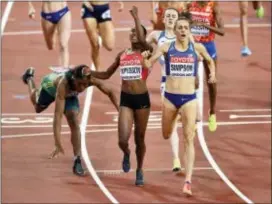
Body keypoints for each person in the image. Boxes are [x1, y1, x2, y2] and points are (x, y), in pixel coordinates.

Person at [142, 14, 216, 196]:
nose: (183, 30)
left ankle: (188, 181)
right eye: (180, 28)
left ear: (189, 31)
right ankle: (171, 125)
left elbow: (209, 59)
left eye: (185, 28)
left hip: (189, 98)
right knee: (166, 134)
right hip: (170, 98)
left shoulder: (196, 47)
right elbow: (148, 63)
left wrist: (212, 74)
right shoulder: (166, 47)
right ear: (175, 31)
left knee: (189, 138)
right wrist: (145, 58)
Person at [90, 6, 153, 186]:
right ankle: (126, 153)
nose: (133, 33)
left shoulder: (146, 51)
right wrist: (90, 73)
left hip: (142, 100)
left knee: (140, 138)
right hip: (126, 100)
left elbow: (142, 39)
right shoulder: (122, 55)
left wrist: (136, 17)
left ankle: (139, 169)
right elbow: (106, 75)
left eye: (137, 31)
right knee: (122, 139)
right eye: (131, 31)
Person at [21, 65, 119, 176]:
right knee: (37, 108)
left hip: (70, 94)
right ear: (74, 80)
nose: (82, 88)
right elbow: (58, 117)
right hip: (51, 87)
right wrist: (57, 143)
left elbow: (110, 92)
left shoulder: (90, 79)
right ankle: (29, 78)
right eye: (80, 84)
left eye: (85, 84)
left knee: (73, 119)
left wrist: (119, 110)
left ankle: (77, 160)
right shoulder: (63, 85)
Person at [147, 8, 182, 172]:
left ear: (177, 20)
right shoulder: (156, 35)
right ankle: (176, 159)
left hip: (184, 84)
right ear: (163, 18)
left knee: (191, 121)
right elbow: (144, 46)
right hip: (166, 83)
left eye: (173, 16)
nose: (170, 18)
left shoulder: (183, 36)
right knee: (172, 123)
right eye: (167, 16)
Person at [188, 1, 224, 132]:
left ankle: (212, 112)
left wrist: (205, 26)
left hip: (208, 45)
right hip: (193, 45)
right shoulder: (190, 5)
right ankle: (193, 114)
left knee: (212, 82)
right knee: (193, 81)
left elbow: (222, 31)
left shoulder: (214, 5)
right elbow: (183, 23)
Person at [81, 1, 124, 70]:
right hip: (89, 9)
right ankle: (98, 70)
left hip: (103, 8)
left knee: (110, 46)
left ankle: (100, 31)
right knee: (95, 44)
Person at [28, 1, 71, 68]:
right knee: (50, 46)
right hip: (47, 16)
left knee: (63, 44)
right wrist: (30, 6)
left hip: (63, 12)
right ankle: (56, 30)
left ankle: (63, 70)